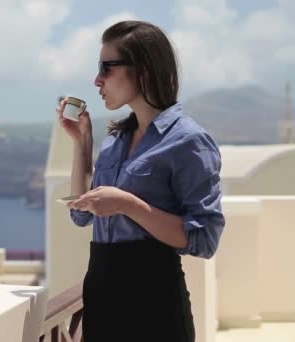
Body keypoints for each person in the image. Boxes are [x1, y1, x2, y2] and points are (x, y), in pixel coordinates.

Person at [55, 20, 225, 342]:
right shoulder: (117, 140)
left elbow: (205, 239)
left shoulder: (188, 140)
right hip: (101, 296)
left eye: (107, 67)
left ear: (143, 69)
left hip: (153, 302)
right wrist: (82, 144)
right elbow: (81, 215)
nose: (97, 80)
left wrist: (128, 205)